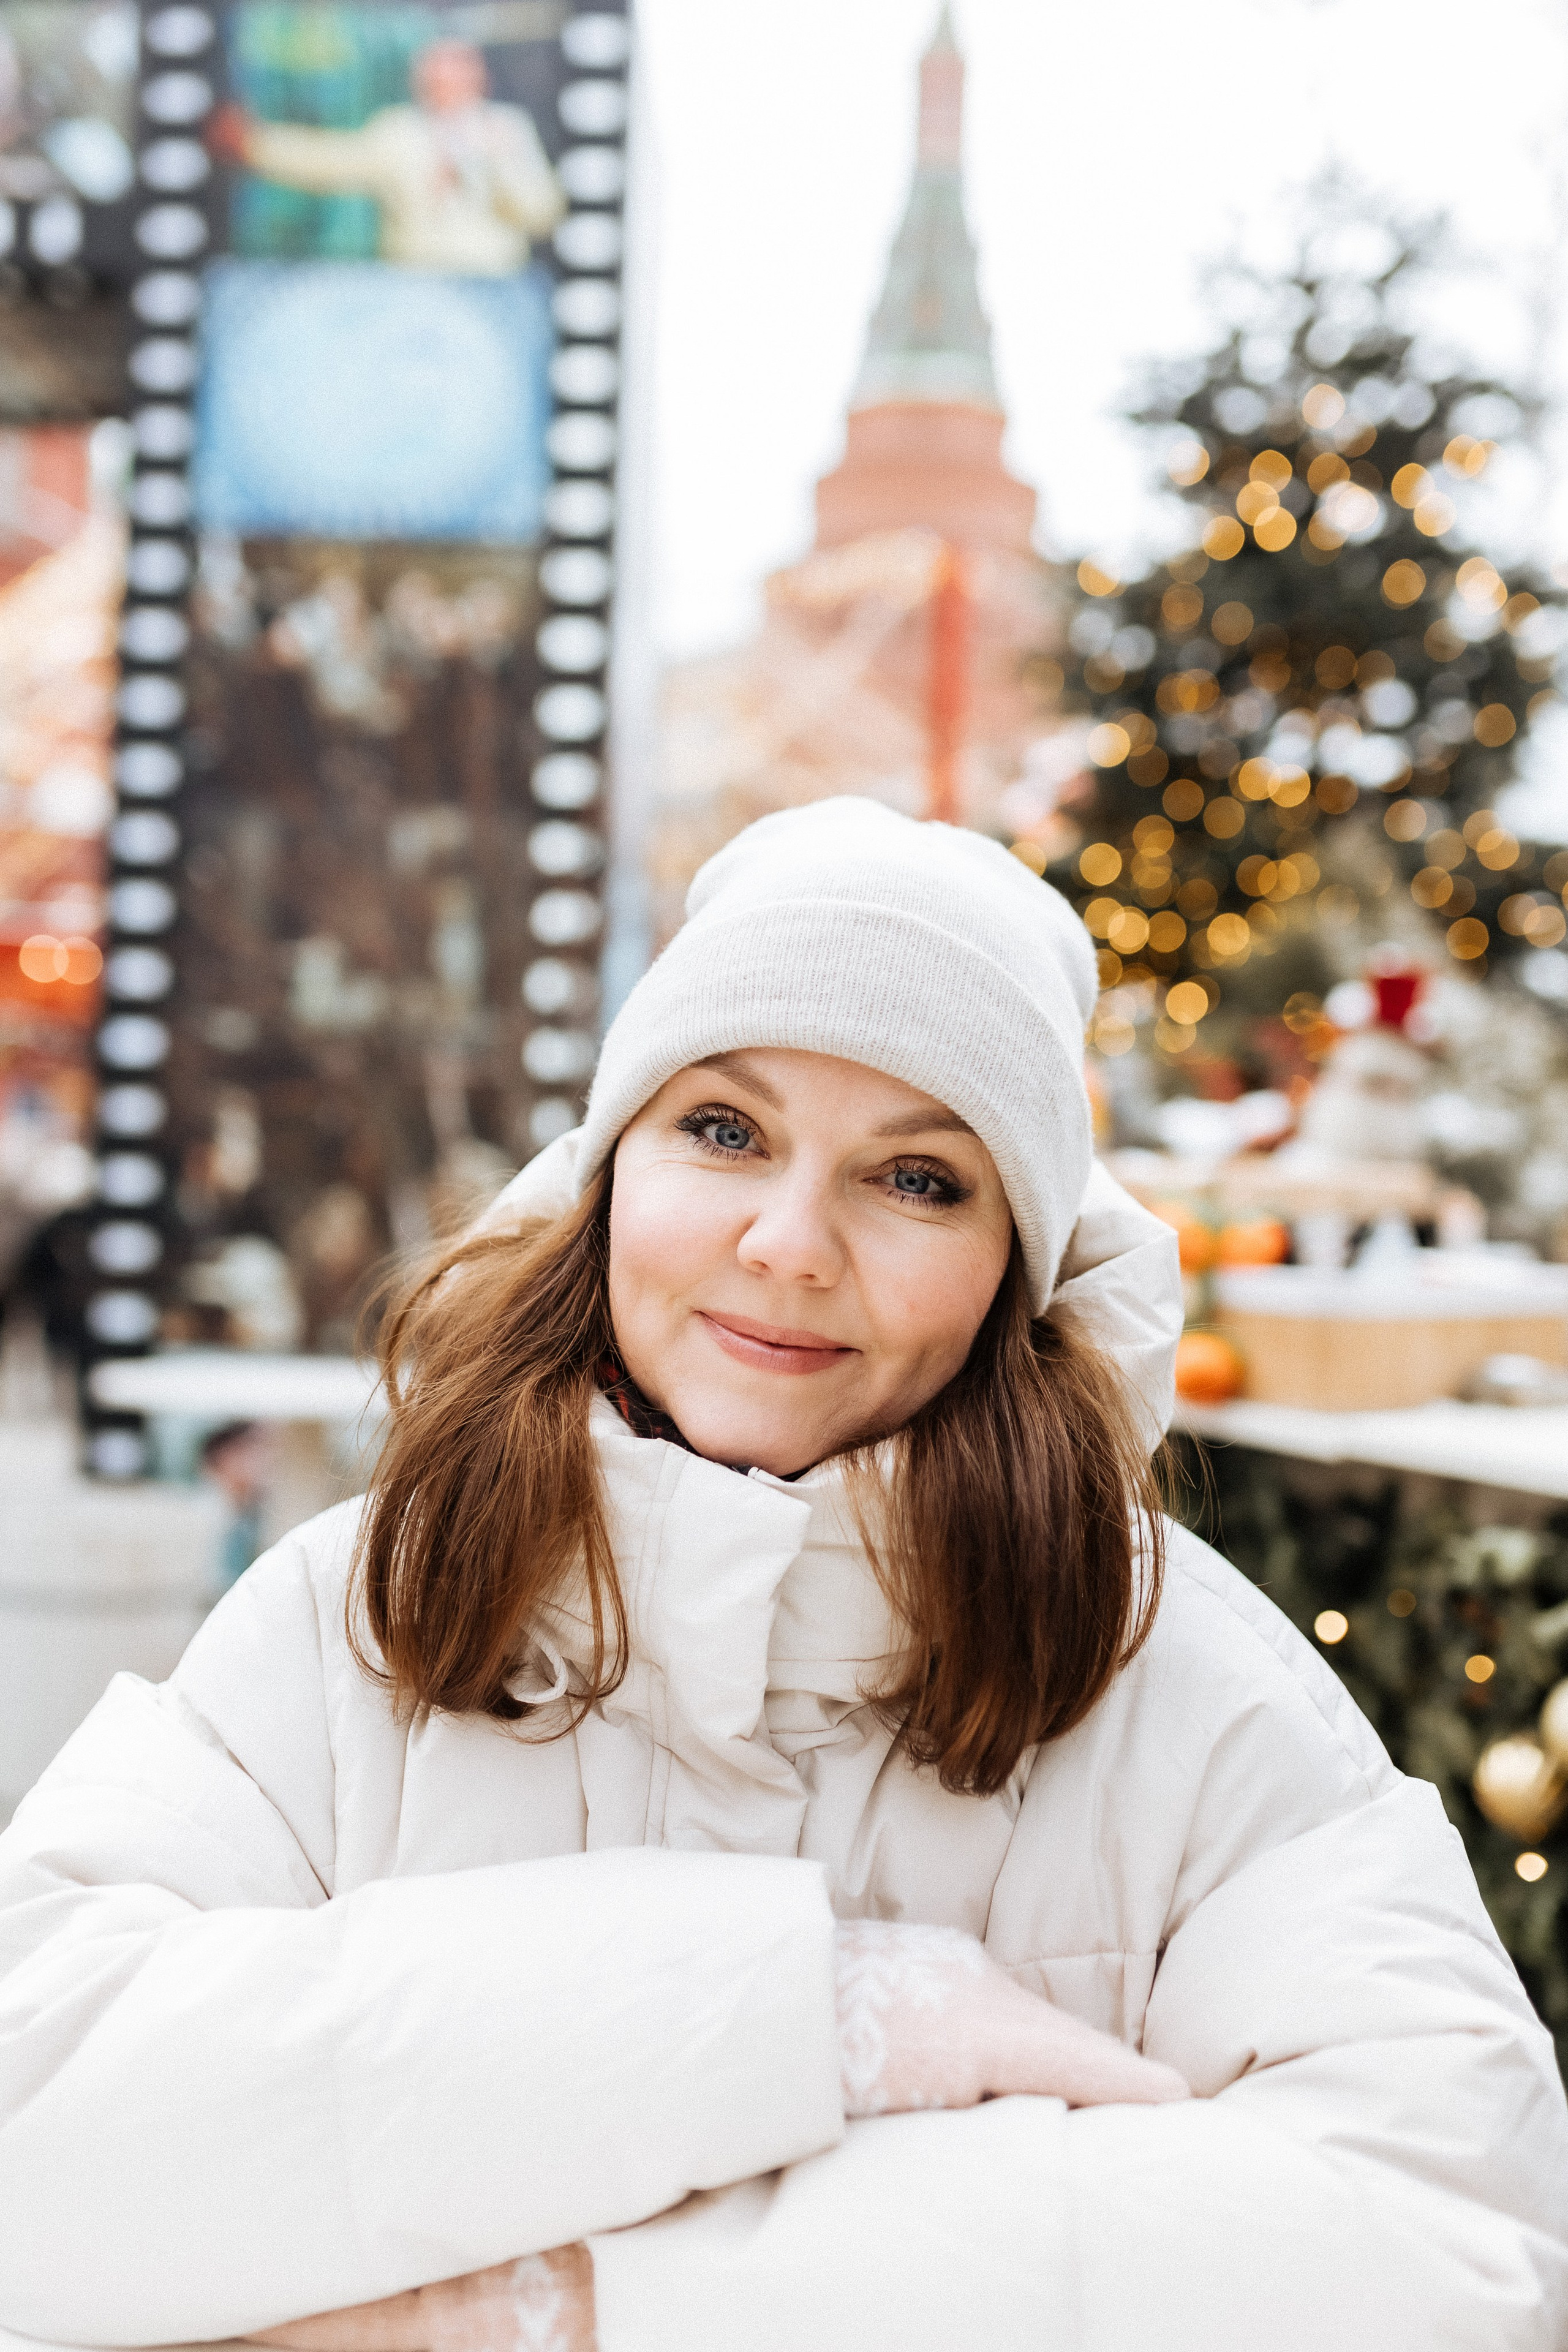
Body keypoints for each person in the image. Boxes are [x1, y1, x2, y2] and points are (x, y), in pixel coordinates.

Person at [0, 797, 1564, 2352]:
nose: (787, 1241)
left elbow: (1450, 2244)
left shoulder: (1182, 1676)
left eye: (917, 1179)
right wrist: (804, 2011)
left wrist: (559, 2305)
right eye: (724, 1130)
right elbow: (38, 2126)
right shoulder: (353, 1612)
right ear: (611, 1168)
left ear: (1010, 1269)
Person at [207, 39, 565, 277]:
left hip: (489, 294)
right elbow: (332, 162)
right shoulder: (400, 133)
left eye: (454, 72)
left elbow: (542, 214)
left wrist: (497, 162)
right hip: (410, 290)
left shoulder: (507, 128)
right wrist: (256, 144)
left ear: (479, 78)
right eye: (432, 73)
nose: (442, 82)